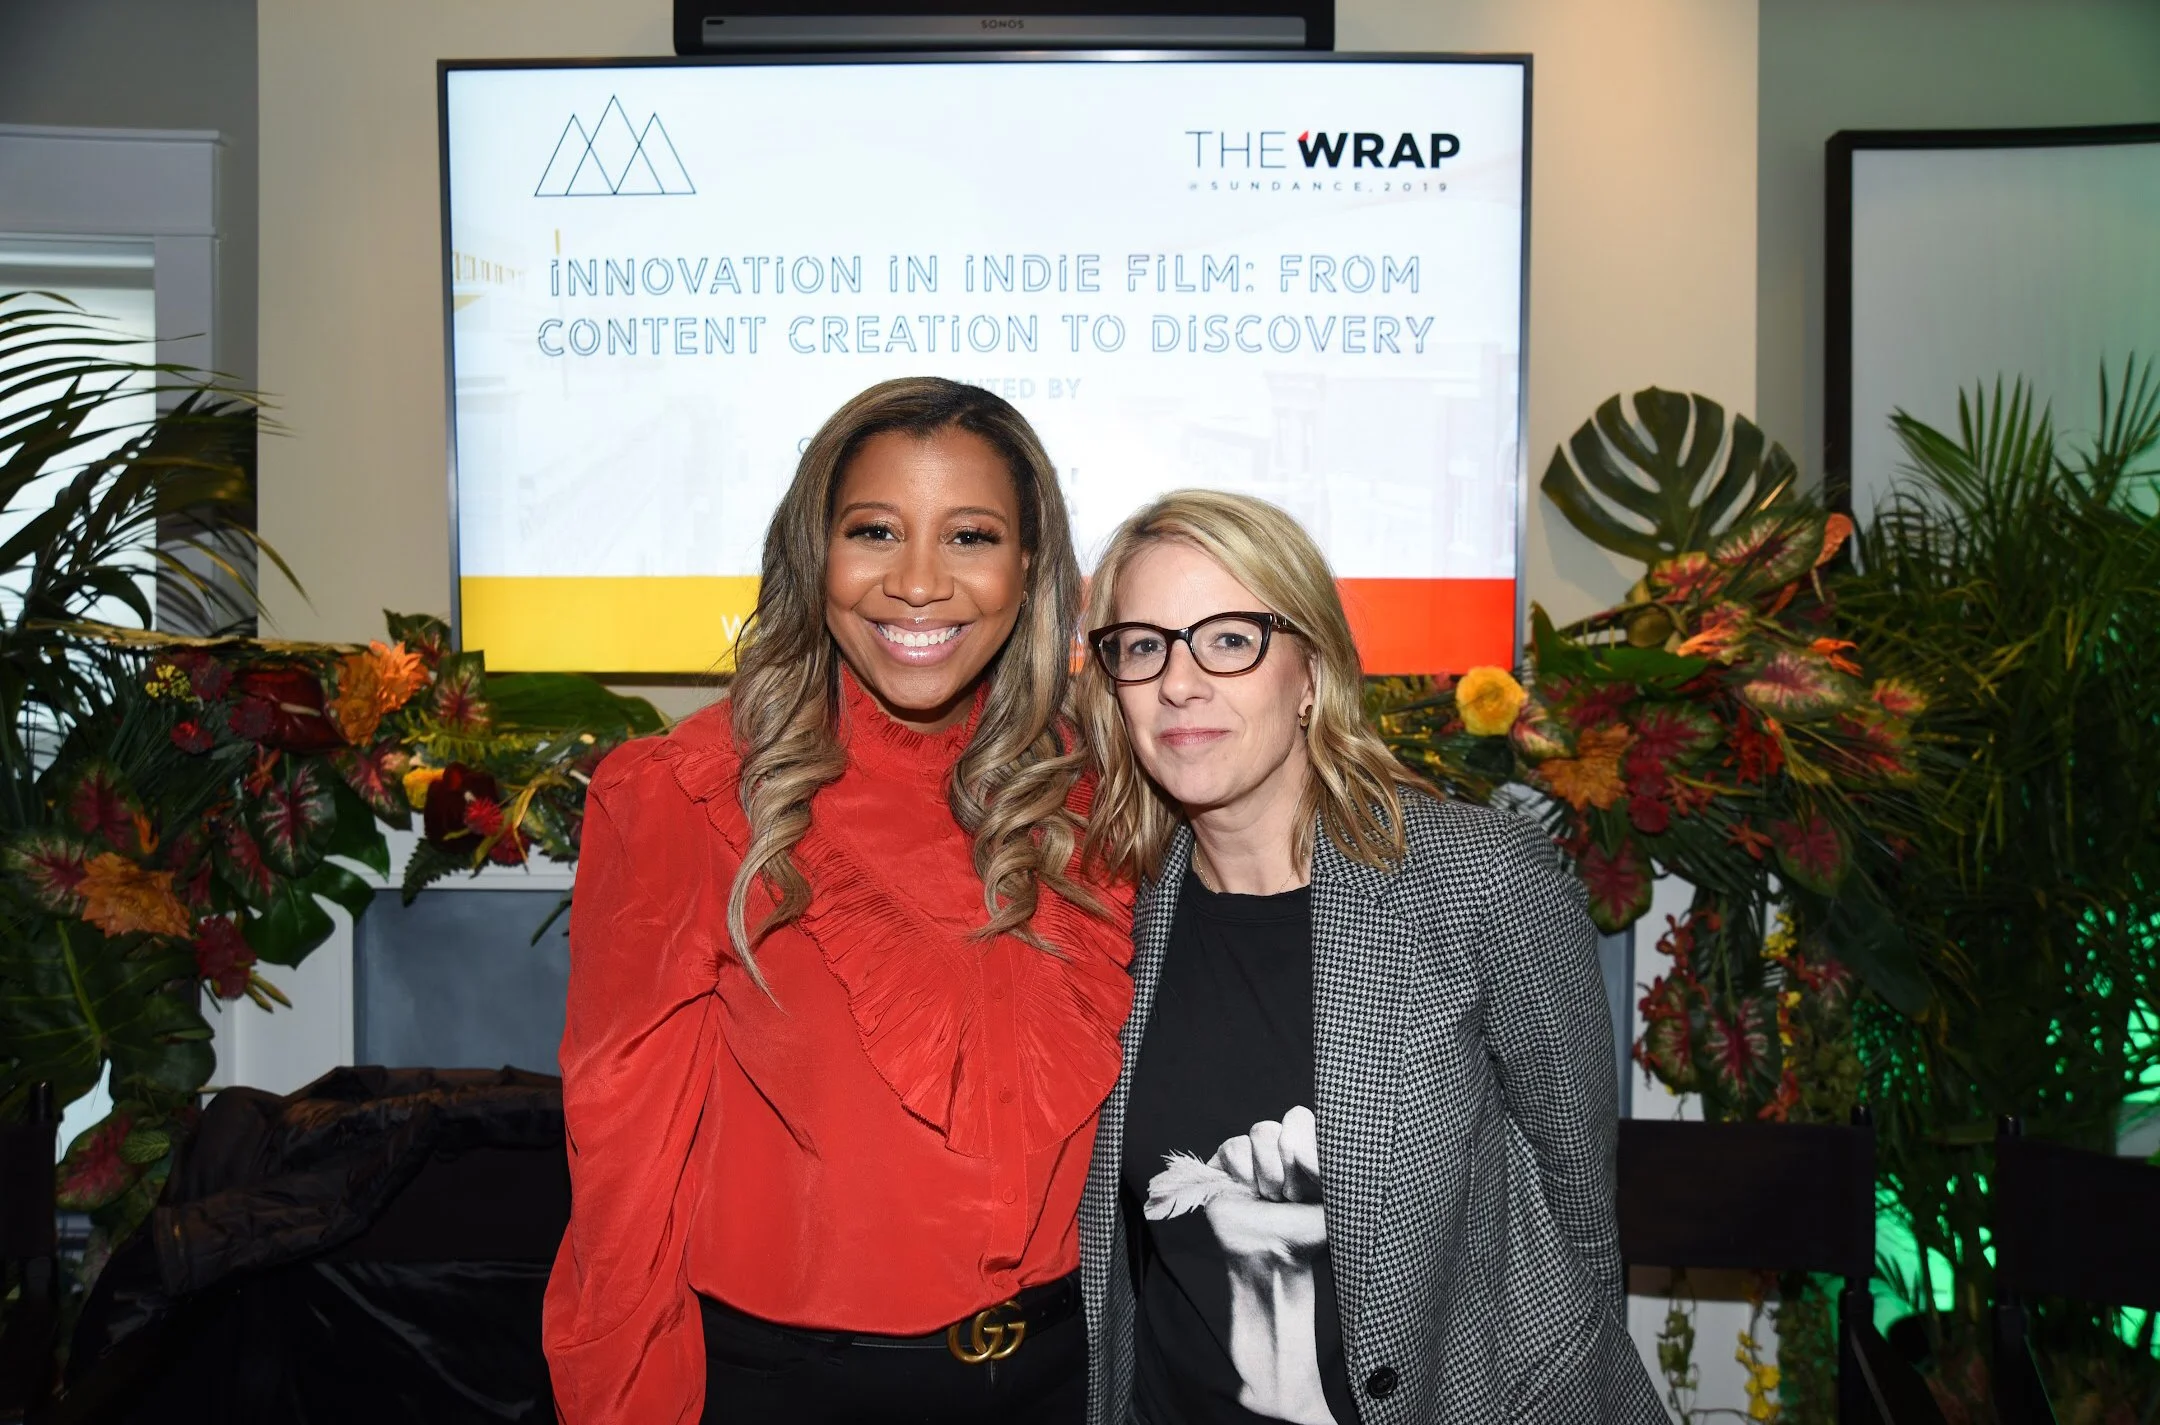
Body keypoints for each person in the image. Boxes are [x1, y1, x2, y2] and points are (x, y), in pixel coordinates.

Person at [543, 378, 1134, 1425]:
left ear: (1031, 565)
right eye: (874, 531)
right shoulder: (689, 794)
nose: (918, 583)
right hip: (797, 1392)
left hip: (1066, 1377)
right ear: (816, 553)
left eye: (970, 536)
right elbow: (622, 1173)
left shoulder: (1095, 793)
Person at [1072, 490, 1662, 1425]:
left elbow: (1579, 1205)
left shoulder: (1479, 881)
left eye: (1230, 639)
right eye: (1144, 646)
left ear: (1311, 672)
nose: (1179, 682)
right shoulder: (1106, 911)